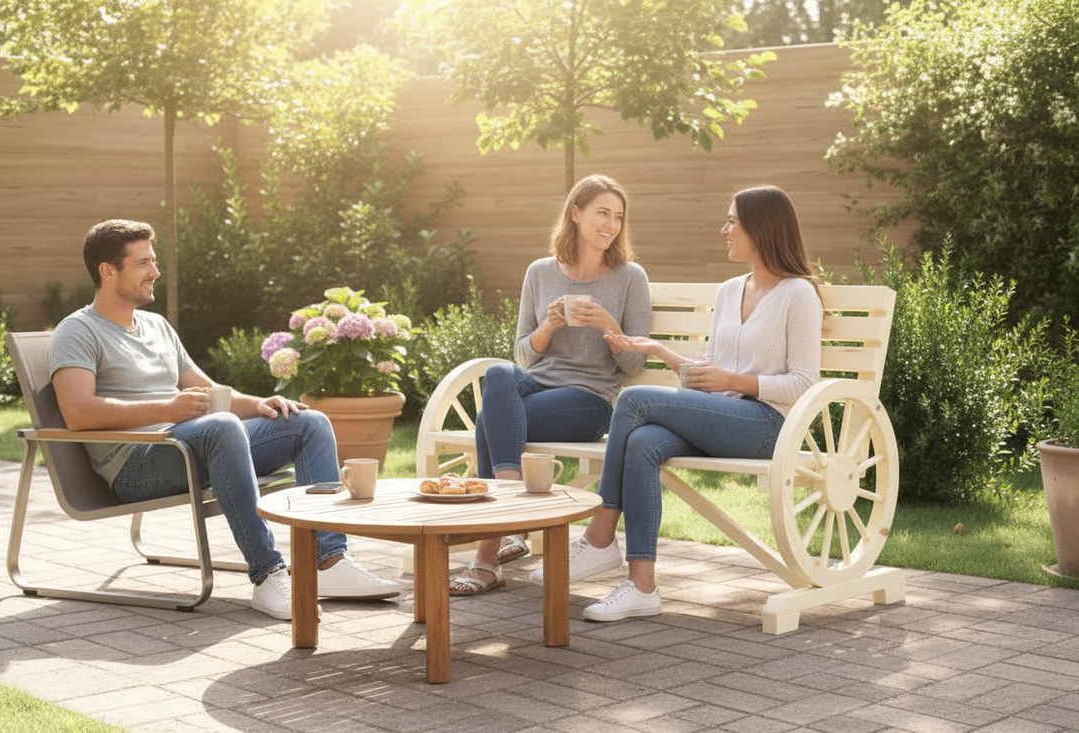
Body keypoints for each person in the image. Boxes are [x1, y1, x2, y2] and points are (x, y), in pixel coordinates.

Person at [48, 219, 402, 620]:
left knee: (309, 422)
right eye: (143, 262)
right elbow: (77, 413)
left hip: (194, 442)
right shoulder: (77, 331)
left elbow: (210, 390)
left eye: (154, 260)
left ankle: (328, 563)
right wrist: (168, 411)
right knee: (223, 426)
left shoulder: (157, 327)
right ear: (108, 271)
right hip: (139, 464)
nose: (155, 272)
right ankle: (268, 574)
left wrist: (261, 403)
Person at [531, 185, 823, 621]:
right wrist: (663, 353)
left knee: (631, 399)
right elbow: (710, 373)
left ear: (761, 230)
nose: (724, 230)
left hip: (768, 426)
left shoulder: (797, 294)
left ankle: (600, 534)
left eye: (732, 222)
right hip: (722, 415)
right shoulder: (729, 291)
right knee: (643, 441)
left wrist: (736, 380)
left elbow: (804, 383)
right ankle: (642, 586)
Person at [449, 174, 652, 595]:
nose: (611, 224)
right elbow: (524, 354)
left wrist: (609, 326)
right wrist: (549, 325)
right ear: (575, 214)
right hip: (536, 386)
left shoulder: (630, 277)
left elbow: (633, 363)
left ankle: (493, 549)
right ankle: (510, 513)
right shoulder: (540, 272)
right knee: (501, 374)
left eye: (617, 216)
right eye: (602, 213)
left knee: (490, 419)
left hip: (589, 399)